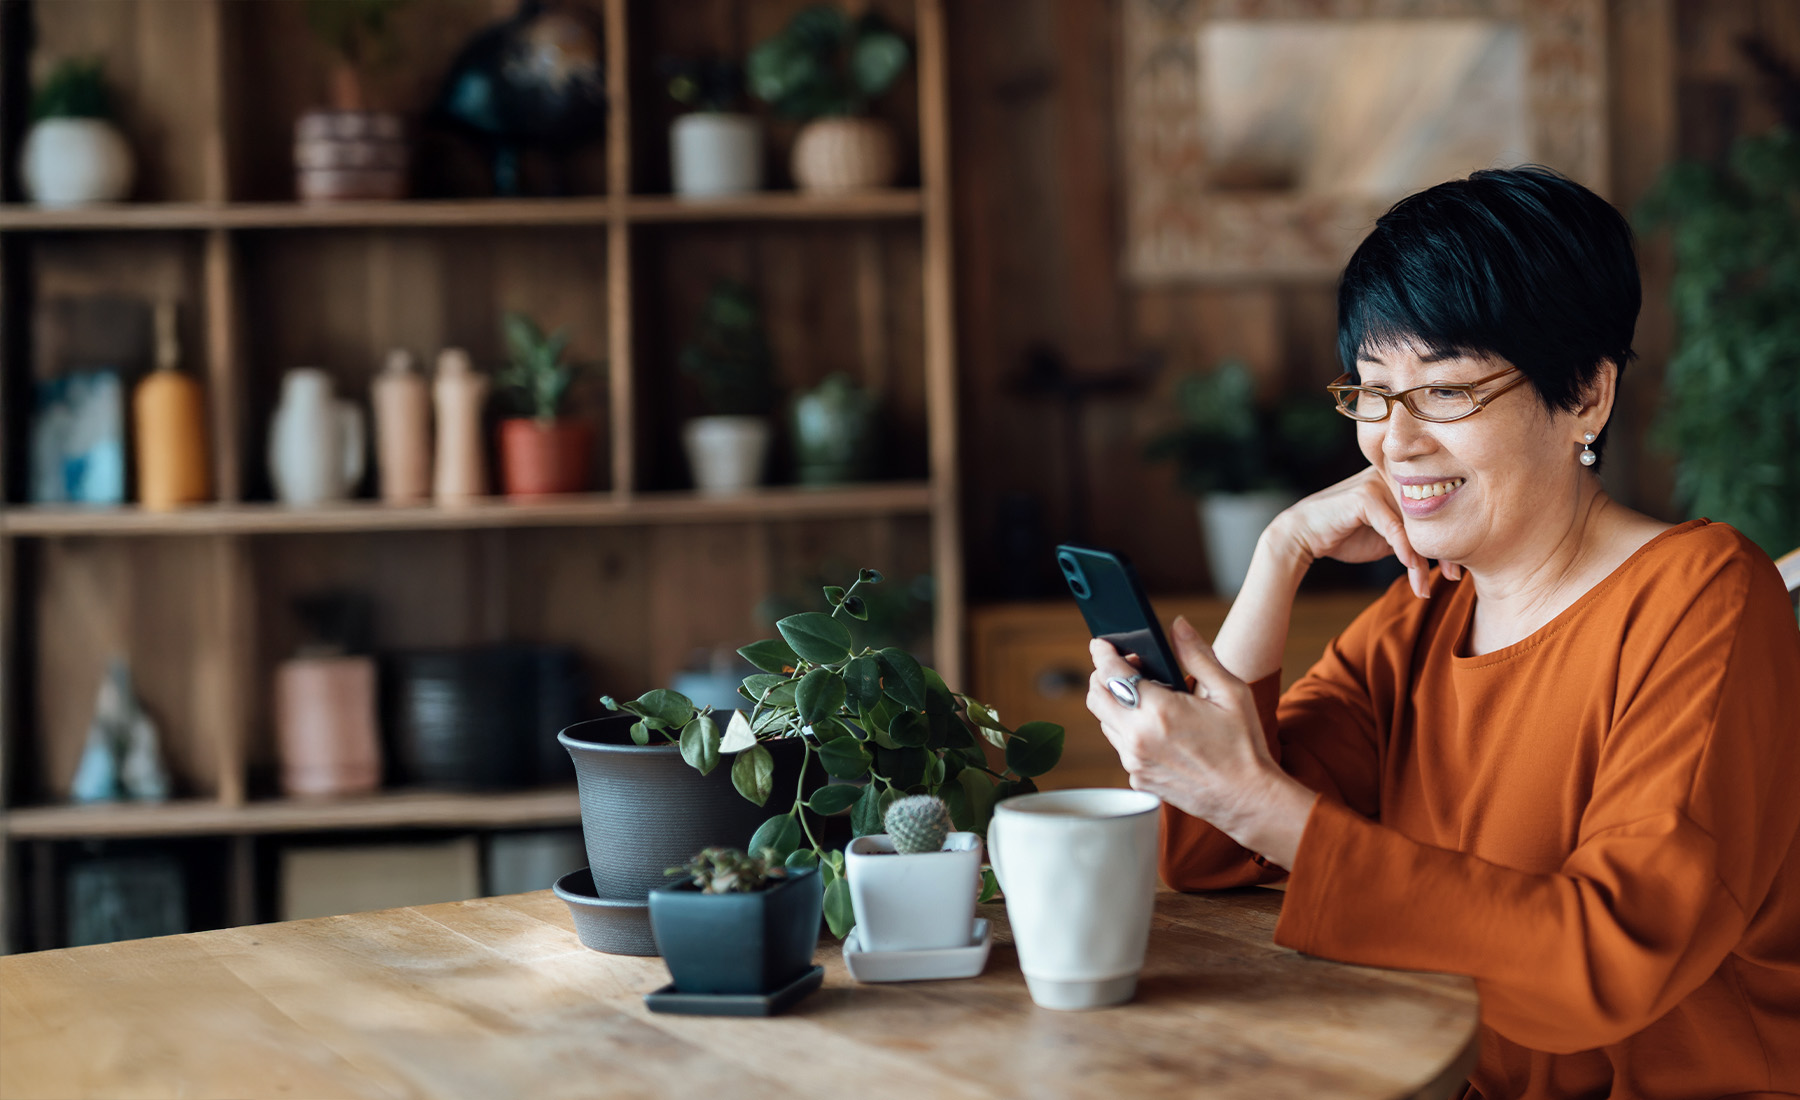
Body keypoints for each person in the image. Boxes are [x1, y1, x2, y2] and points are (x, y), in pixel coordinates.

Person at [1086, 167, 1800, 1099]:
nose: (1395, 439)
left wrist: (1258, 801)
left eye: (1446, 392)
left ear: (1586, 394)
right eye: (1374, 392)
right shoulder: (1424, 614)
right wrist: (1280, 551)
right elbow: (1211, 851)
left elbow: (1610, 960)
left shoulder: (1705, 596)